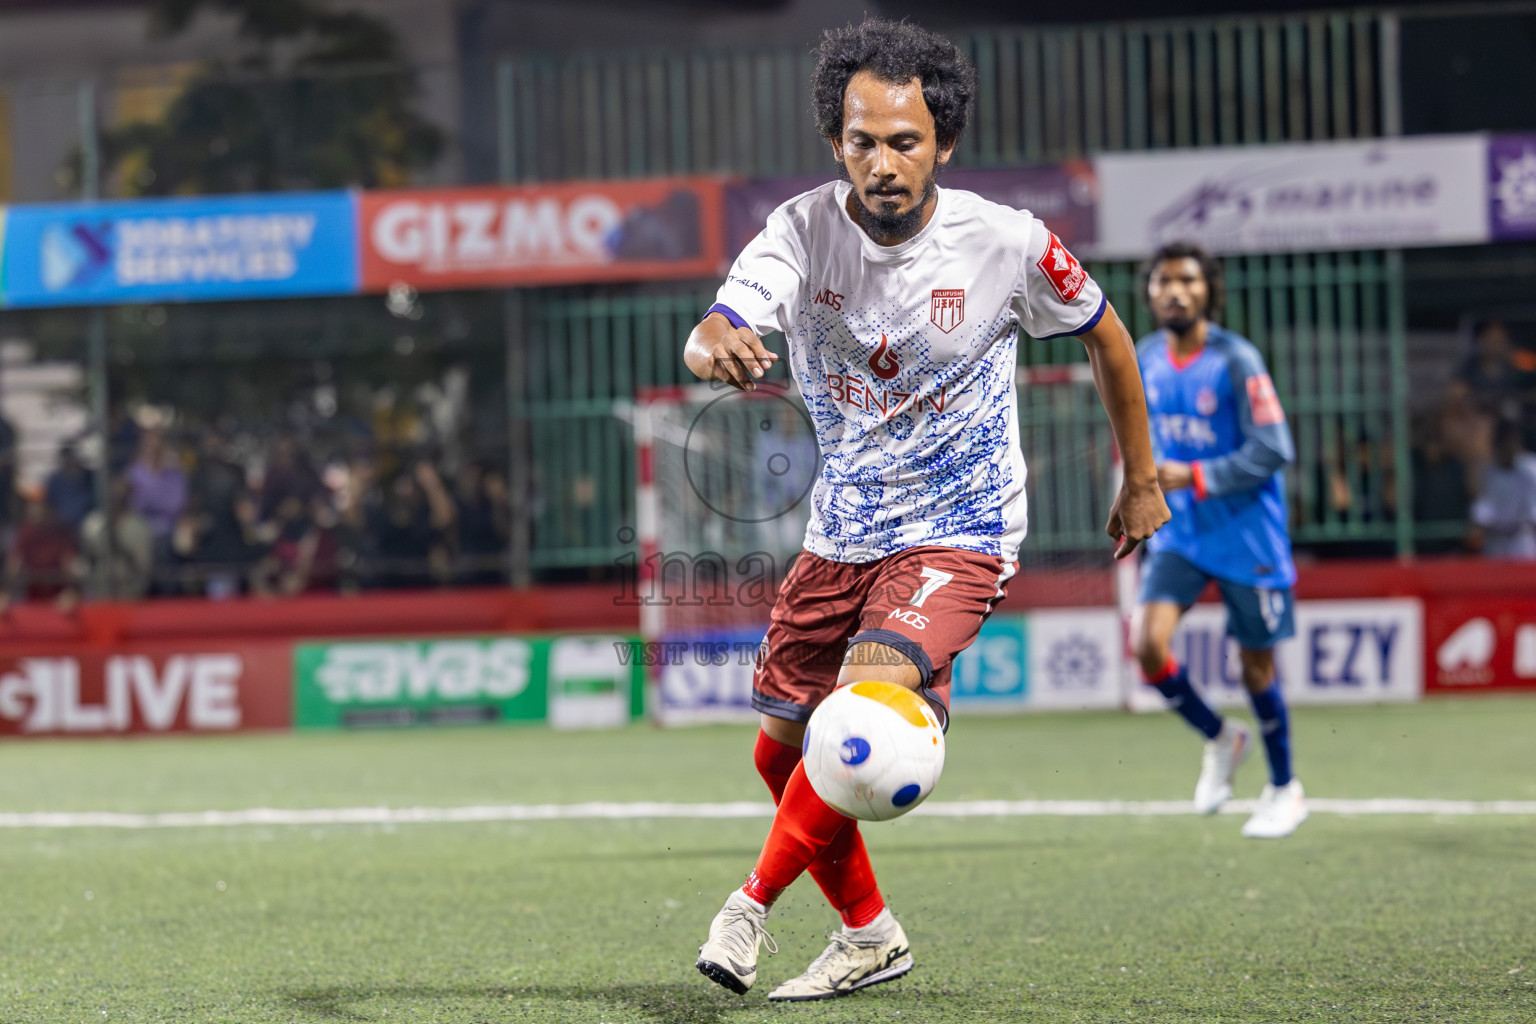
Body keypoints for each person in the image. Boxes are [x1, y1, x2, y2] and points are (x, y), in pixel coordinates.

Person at [683, 18, 1169, 1002]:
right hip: (840, 532)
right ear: (836, 143)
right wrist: (711, 342)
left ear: (943, 143)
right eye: (862, 140)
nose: (883, 162)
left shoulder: (1007, 242)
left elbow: (1109, 337)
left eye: (904, 141)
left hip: (962, 527)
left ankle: (748, 907)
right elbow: (721, 325)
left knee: (859, 709)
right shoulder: (799, 232)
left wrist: (1142, 477)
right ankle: (870, 935)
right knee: (781, 750)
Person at [1131, 241, 1305, 840]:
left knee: (1255, 667)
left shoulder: (1237, 360)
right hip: (1181, 533)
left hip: (1246, 534)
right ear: (1149, 293)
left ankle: (1284, 788)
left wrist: (1196, 475)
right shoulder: (1145, 358)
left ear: (1208, 291)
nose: (1176, 291)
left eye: (1188, 280)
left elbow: (1274, 448)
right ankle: (1221, 737)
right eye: (1164, 281)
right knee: (1147, 646)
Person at [1469, 418, 1536, 559]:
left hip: (1522, 541)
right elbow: (1484, 506)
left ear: (1516, 442)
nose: (1505, 448)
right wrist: (1479, 523)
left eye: (1508, 443)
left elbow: (1532, 509)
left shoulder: (1529, 469)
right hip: (1495, 542)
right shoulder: (1489, 471)